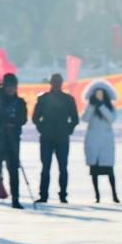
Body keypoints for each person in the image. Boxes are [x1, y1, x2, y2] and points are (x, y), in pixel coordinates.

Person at [0, 73, 27, 209]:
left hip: (13, 139)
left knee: (13, 170)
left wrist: (13, 123)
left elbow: (23, 119)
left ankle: (15, 199)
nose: (11, 89)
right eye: (8, 86)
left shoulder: (19, 102)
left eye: (13, 86)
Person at [33, 73, 79, 204]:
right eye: (54, 82)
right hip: (47, 137)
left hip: (62, 138)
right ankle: (43, 195)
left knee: (63, 167)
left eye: (58, 82)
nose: (56, 85)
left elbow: (75, 119)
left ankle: (63, 195)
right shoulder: (43, 98)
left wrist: (67, 130)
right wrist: (42, 129)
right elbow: (36, 117)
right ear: (51, 83)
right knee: (45, 167)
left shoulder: (68, 99)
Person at [82, 80, 120, 203]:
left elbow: (111, 118)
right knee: (94, 171)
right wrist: (92, 105)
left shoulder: (109, 107)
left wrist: (101, 106)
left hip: (105, 144)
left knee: (109, 170)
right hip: (93, 142)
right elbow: (85, 118)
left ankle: (114, 195)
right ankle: (97, 196)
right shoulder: (91, 106)